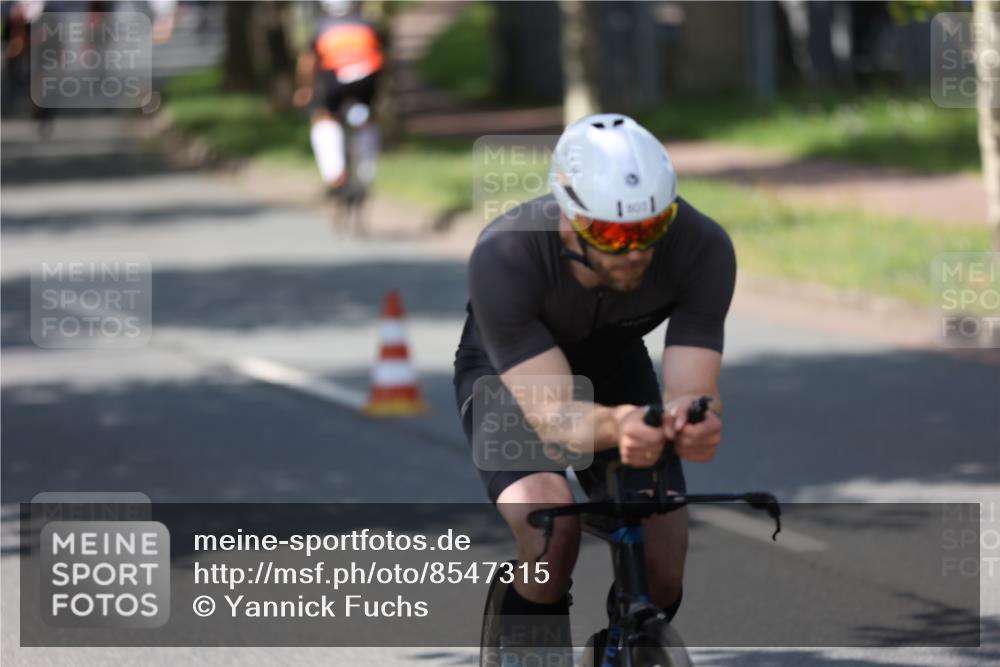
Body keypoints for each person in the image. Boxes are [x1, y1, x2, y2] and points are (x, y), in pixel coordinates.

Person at [453, 114, 736, 662]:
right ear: (568, 217)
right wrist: (619, 426)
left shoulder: (702, 247)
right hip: (510, 379)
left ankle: (621, 647)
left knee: (663, 566)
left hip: (613, 368)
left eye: (652, 229)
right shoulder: (505, 256)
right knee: (550, 530)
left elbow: (693, 389)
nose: (636, 252)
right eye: (612, 234)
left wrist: (693, 421)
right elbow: (556, 416)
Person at [293, 0, 383, 195]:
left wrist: (305, 89)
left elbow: (308, 62)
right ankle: (367, 171)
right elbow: (384, 58)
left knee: (324, 117)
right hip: (367, 80)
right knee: (368, 121)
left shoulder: (321, 27)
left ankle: (335, 173)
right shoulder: (368, 24)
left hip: (335, 80)